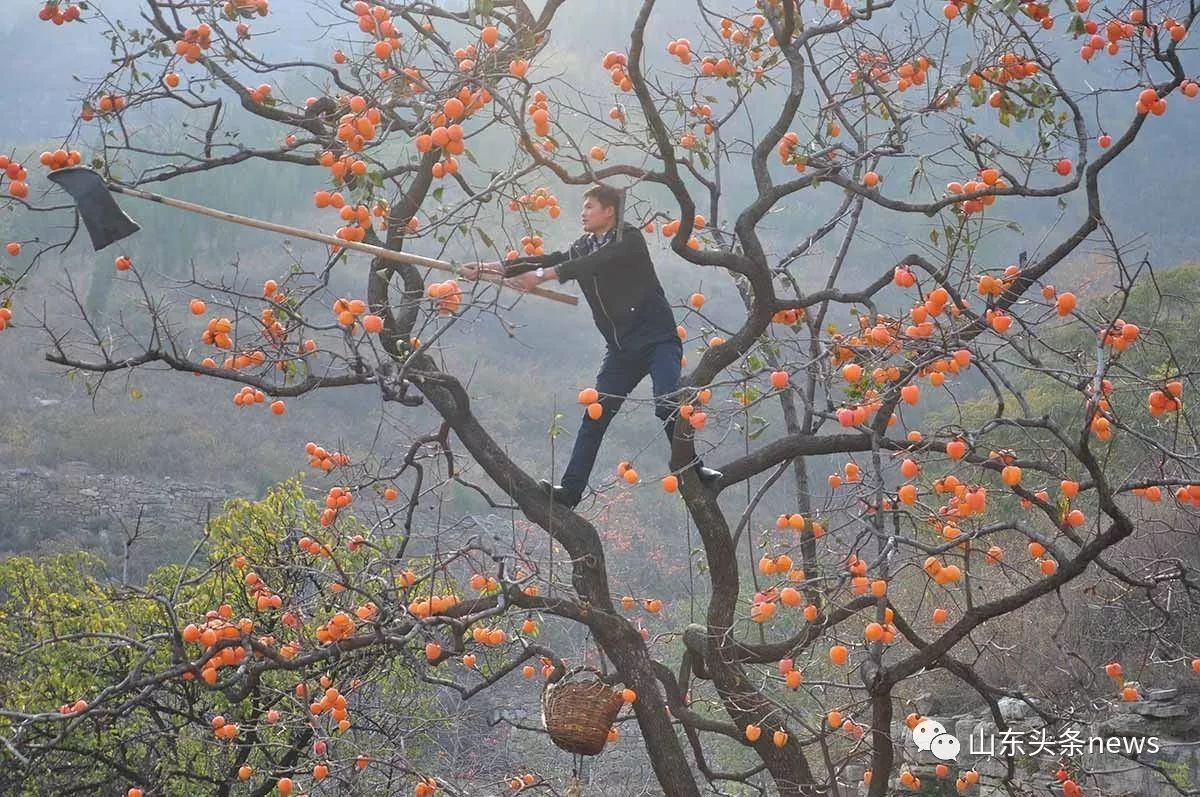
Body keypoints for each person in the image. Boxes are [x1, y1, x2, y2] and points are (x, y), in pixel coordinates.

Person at [461, 184, 722, 509]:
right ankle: (570, 491)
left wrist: (542, 276)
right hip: (621, 350)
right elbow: (554, 258)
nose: (583, 213)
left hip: (658, 341)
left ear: (609, 210)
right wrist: (493, 267)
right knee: (595, 417)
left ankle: (694, 469)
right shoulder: (584, 245)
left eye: (589, 207)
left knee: (667, 404)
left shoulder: (628, 239)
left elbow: (591, 264)